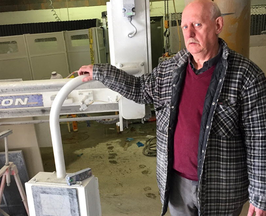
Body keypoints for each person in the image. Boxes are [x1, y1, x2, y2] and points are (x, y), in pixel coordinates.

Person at [78, 0, 266, 215]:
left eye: (197, 24)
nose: (190, 33)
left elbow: (259, 138)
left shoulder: (247, 76)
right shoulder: (170, 69)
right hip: (176, 183)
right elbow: (140, 89)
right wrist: (102, 72)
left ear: (218, 25)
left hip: (222, 187)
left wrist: (260, 195)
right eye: (185, 26)